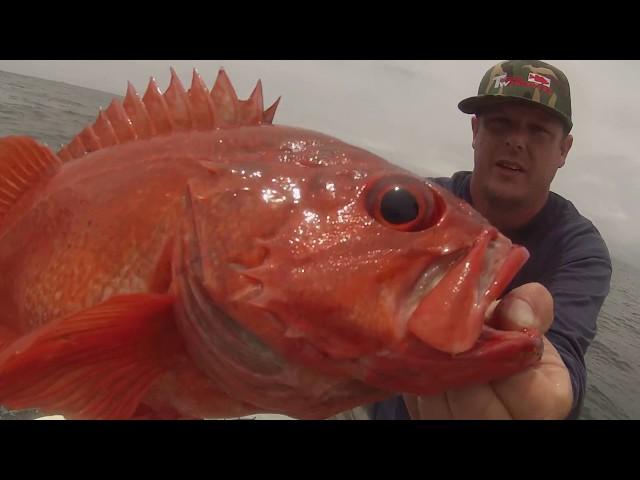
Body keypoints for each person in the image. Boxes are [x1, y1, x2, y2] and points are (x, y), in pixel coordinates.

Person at [361, 60, 612, 420]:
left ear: (564, 151)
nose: (516, 141)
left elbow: (565, 356)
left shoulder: (580, 250)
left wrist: (542, 398)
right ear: (476, 131)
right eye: (500, 124)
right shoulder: (417, 205)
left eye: (538, 131)